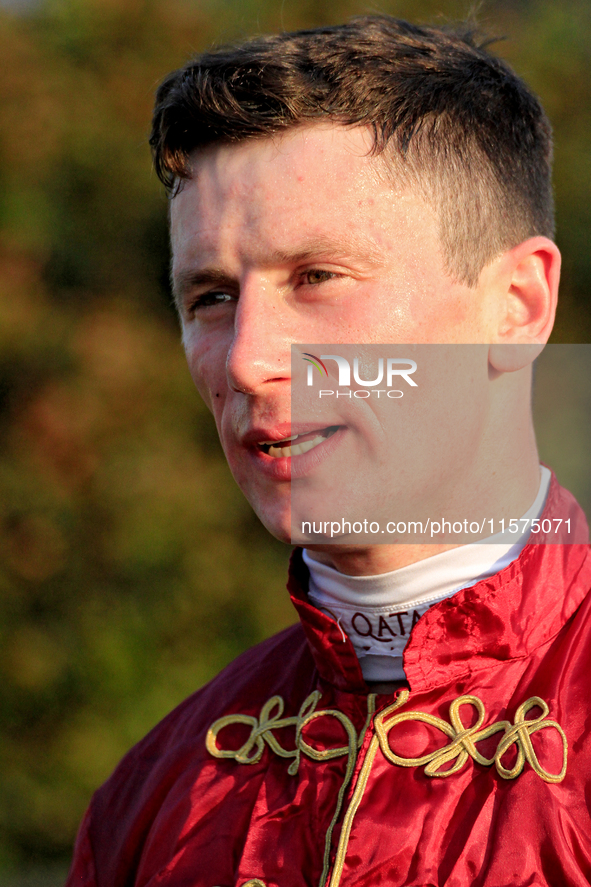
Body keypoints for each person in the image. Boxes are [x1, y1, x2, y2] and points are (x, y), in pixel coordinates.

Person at [66, 15, 591, 887]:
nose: (245, 359)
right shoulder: (152, 795)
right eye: (209, 296)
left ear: (517, 305)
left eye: (317, 277)